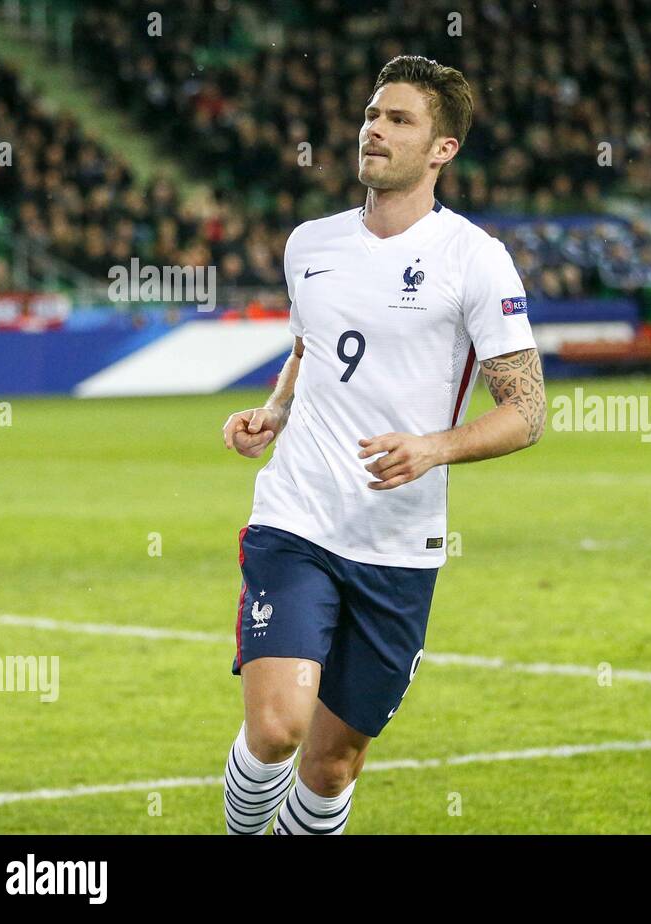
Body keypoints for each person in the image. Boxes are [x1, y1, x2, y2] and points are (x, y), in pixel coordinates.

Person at [219, 56, 546, 834]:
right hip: (297, 523)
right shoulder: (311, 244)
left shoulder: (473, 257)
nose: (374, 128)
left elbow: (528, 410)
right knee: (276, 730)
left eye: (400, 120)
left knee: (332, 765)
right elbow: (312, 347)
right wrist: (274, 412)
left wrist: (434, 448)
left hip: (399, 549)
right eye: (372, 113)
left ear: (442, 150)